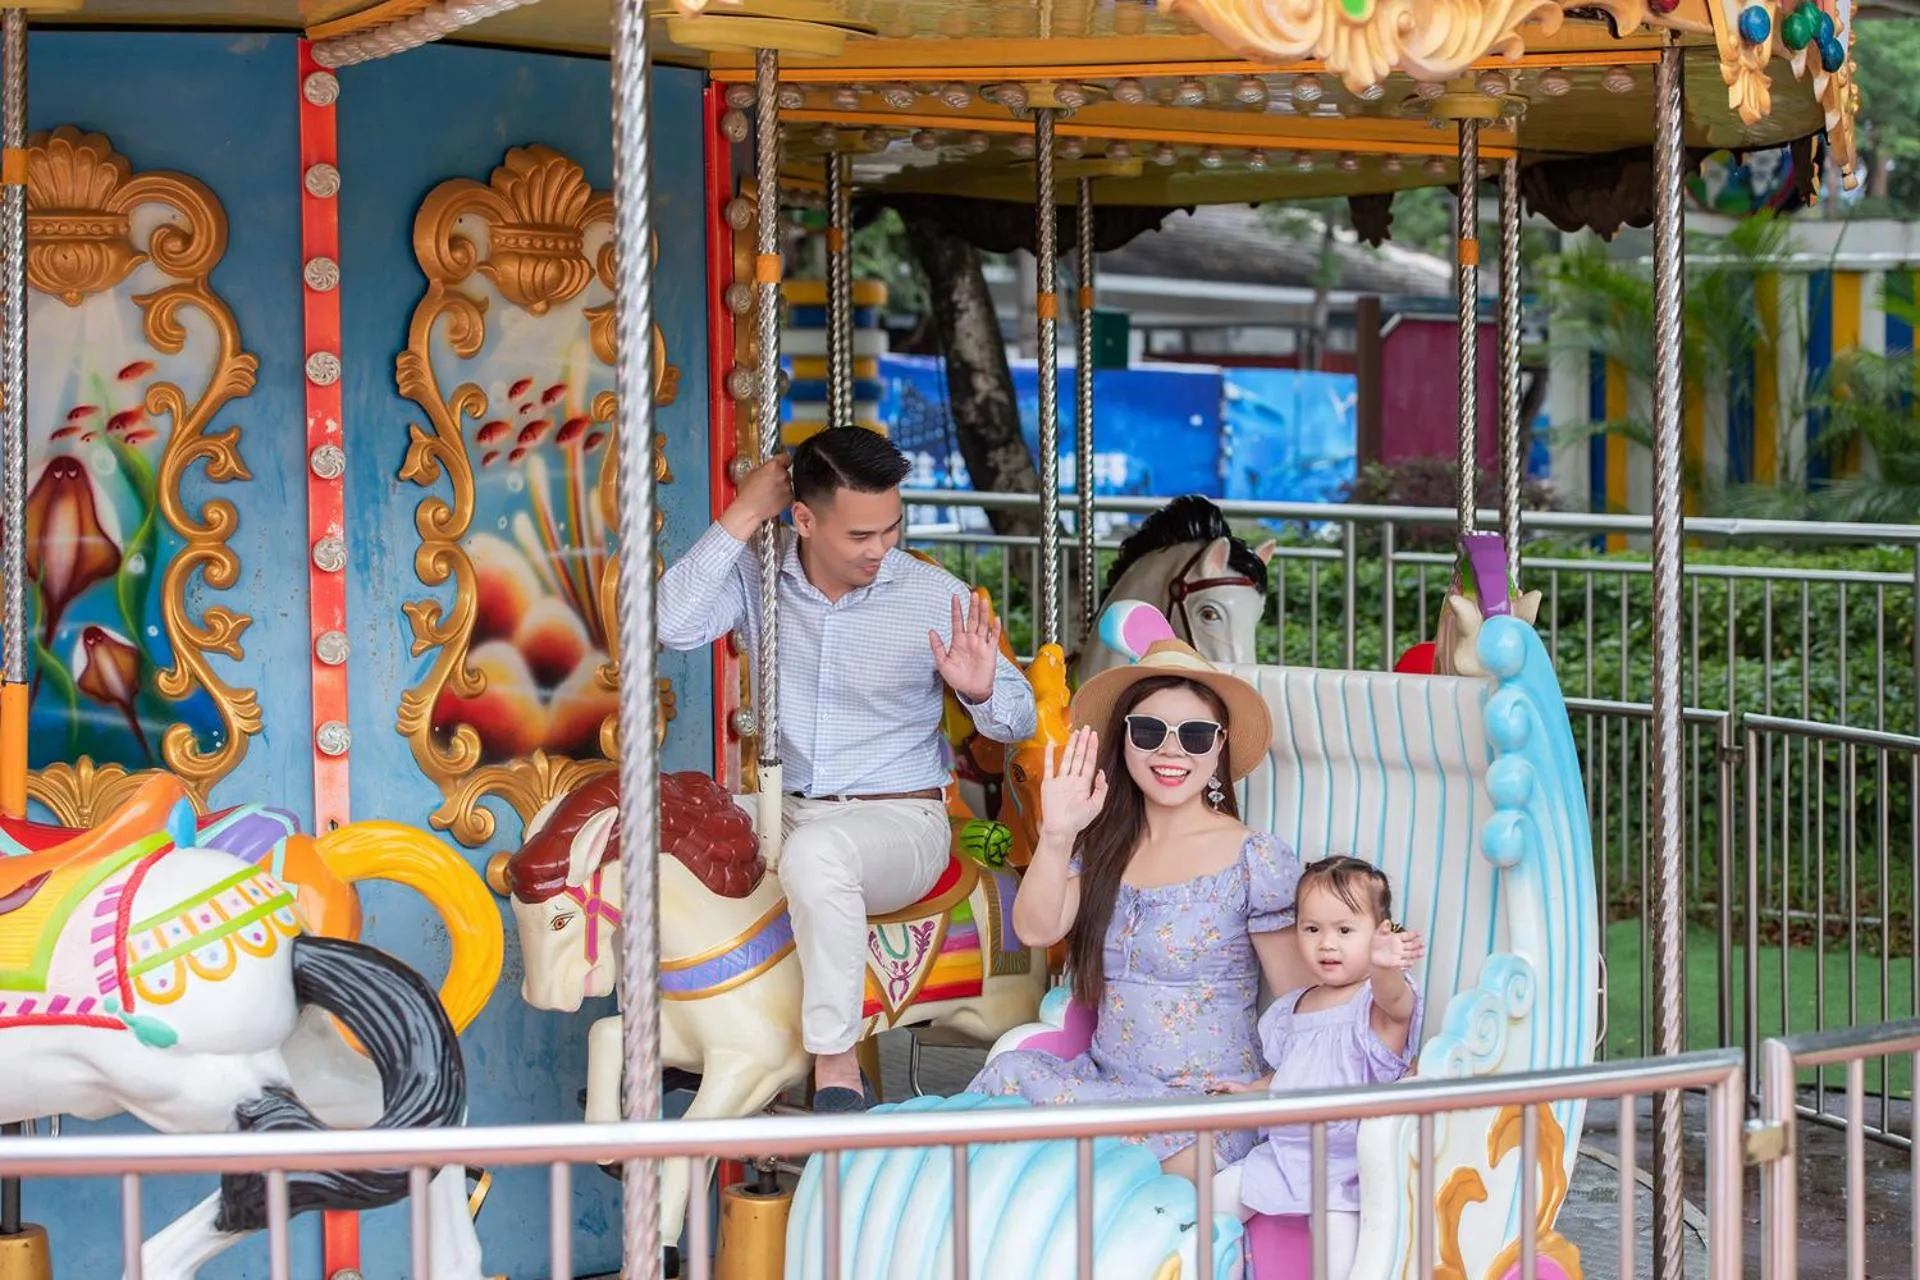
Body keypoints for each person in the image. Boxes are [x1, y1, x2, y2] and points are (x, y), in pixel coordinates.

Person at [658, 427, 1037, 1112]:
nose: (880, 548)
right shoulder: (760, 571)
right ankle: (680, 1028)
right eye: (860, 534)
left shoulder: (932, 594)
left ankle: (836, 1057)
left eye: (892, 528)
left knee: (817, 855)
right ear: (803, 520)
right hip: (786, 804)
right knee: (673, 834)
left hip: (899, 819)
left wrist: (981, 690)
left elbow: (1019, 720)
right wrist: (743, 514)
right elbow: (671, 624)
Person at [967, 628, 1309, 1176]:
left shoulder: (1255, 858)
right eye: (1149, 731)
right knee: (1002, 1095)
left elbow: (1301, 1000)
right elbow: (1035, 929)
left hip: (1204, 1106)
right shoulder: (1102, 848)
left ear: (1219, 745)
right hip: (1103, 1089)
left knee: (1094, 1189)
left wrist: (1275, 1086)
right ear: (1123, 741)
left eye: (1195, 735)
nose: (1171, 750)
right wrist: (1057, 833)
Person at [1216, 856, 1425, 1279]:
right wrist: (1253, 1090)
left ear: (1379, 933)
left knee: (1340, 1260)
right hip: (1284, 1154)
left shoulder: (1376, 1005)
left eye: (1345, 931)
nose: (1326, 944)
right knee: (1212, 1203)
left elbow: (1395, 1003)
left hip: (1345, 1168)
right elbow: (1293, 1072)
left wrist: (1384, 968)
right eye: (1312, 929)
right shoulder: (1295, 1006)